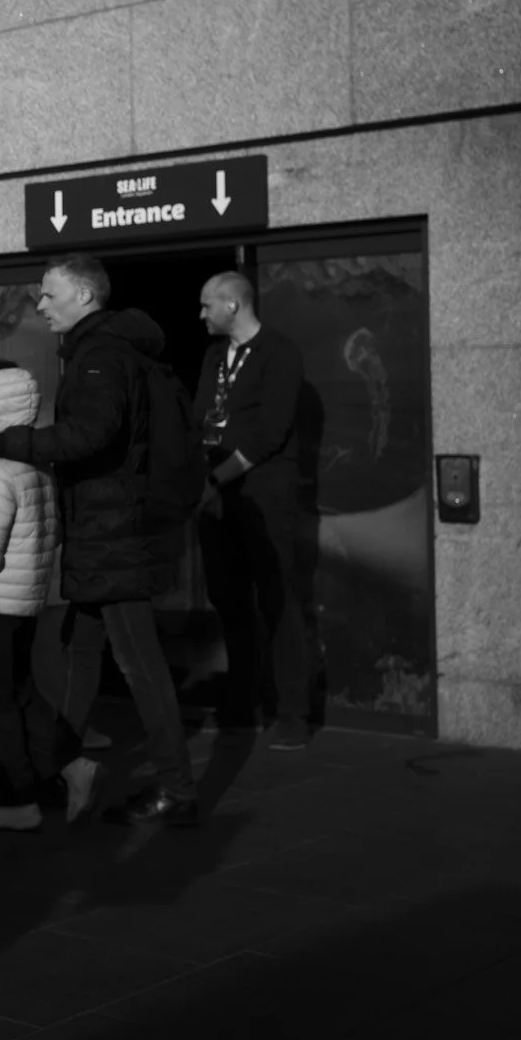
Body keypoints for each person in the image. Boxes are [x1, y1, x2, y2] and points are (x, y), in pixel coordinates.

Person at [0, 255, 200, 827]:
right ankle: (65, 765)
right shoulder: (105, 349)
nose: (39, 305)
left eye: (48, 294)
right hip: (105, 531)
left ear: (83, 295)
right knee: (80, 651)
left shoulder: (102, 354)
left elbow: (93, 434)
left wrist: (16, 443)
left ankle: (177, 788)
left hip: (115, 532)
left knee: (138, 664)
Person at [0, 362, 93, 828]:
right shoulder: (38, 468)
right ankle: (67, 764)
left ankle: (15, 803)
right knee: (22, 694)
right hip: (24, 604)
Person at [194, 271, 312, 750]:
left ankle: (292, 713)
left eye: (206, 305)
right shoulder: (212, 356)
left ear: (233, 305)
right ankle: (242, 702)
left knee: (278, 599)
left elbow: (270, 434)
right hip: (217, 498)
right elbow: (202, 415)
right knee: (229, 599)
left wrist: (216, 478)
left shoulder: (280, 354)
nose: (200, 315)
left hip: (264, 496)